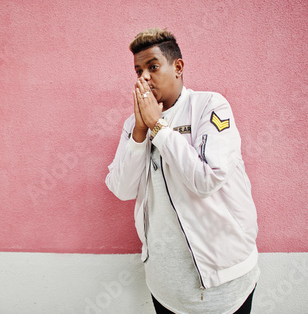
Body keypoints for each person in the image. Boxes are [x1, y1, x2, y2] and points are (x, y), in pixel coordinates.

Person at [105, 28, 260, 314]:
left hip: (223, 282)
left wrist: (159, 128)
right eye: (138, 70)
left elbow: (207, 178)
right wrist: (140, 131)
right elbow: (122, 189)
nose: (144, 77)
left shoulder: (210, 106)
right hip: (165, 287)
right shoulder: (135, 123)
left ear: (177, 67)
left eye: (152, 66)